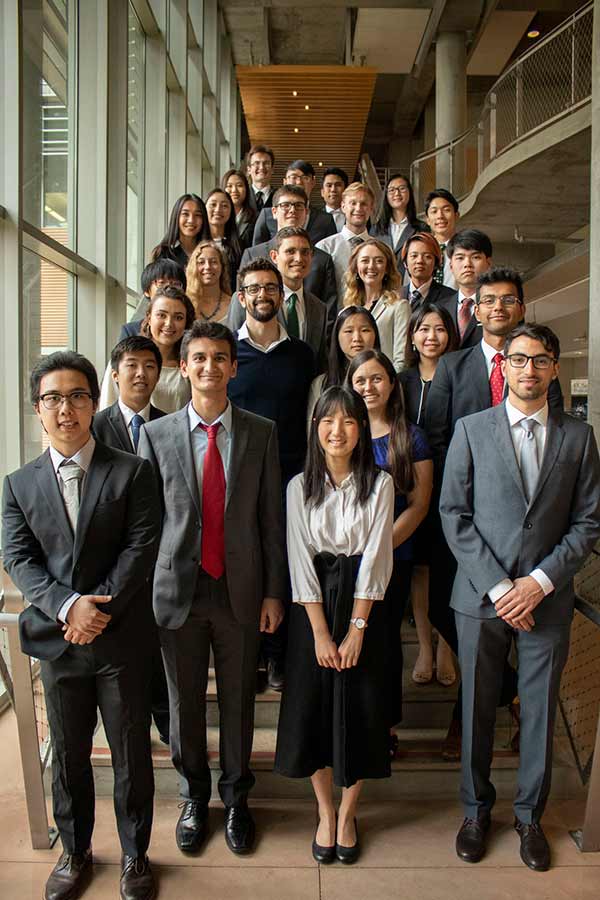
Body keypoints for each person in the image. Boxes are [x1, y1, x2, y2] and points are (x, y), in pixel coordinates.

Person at [440, 323, 600, 872]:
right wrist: (504, 586)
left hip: (548, 599)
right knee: (478, 709)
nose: (529, 369)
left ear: (554, 368)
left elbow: (587, 522)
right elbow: (453, 515)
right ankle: (475, 812)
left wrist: (539, 583)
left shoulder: (578, 438)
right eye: (520, 359)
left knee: (537, 714)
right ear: (503, 367)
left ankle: (530, 817)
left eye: (541, 360)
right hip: (481, 597)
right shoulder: (470, 429)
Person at [2, 351, 161, 900]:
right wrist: (70, 608)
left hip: (121, 638)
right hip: (59, 642)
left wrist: (99, 611)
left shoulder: (132, 470)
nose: (64, 408)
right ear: (36, 410)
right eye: (52, 398)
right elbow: (20, 560)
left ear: (94, 402)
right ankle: (75, 851)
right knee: (68, 755)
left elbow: (142, 549)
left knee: (129, 752)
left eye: (76, 396)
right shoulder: (18, 484)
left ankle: (136, 855)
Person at [138, 320, 287, 858]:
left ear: (233, 366)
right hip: (178, 589)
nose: (209, 367)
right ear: (184, 366)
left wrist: (274, 593)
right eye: (198, 358)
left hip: (241, 590)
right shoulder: (154, 436)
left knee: (238, 703)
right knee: (184, 707)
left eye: (219, 358)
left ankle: (236, 796)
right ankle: (194, 796)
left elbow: (271, 519)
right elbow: (147, 524)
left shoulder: (261, 432)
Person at [425, 268, 564, 760]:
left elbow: (554, 452)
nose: (499, 308)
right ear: (475, 309)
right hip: (464, 519)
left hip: (531, 541)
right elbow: (438, 437)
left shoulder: (541, 371)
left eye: (510, 300)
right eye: (490, 301)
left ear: (521, 308)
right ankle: (492, 700)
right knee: (455, 614)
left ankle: (488, 709)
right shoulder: (453, 366)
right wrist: (465, 493)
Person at [274, 386, 394, 864]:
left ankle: (348, 813)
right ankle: (324, 810)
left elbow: (376, 559)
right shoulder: (298, 486)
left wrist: (358, 628)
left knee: (362, 710)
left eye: (348, 421)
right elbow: (300, 560)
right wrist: (322, 633)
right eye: (328, 421)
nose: (337, 430)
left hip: (365, 605)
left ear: (361, 429)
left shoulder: (380, 483)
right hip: (313, 610)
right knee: (311, 709)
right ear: (315, 429)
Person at [228, 258, 315, 690]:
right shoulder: (227, 352)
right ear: (241, 297)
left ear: (282, 296)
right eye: (254, 288)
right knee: (247, 560)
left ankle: (279, 654)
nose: (263, 295)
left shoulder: (301, 353)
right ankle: (253, 655)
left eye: (271, 288)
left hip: (291, 471)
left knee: (284, 558)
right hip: (238, 474)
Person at [348, 350, 433, 754]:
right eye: (360, 380)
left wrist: (379, 549)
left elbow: (418, 504)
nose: (369, 387)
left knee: (383, 645)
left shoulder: (410, 436)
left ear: (393, 384)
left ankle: (385, 726)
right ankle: (352, 723)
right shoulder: (342, 432)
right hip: (344, 559)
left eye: (377, 378)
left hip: (393, 556)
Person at [92, 335, 171, 746]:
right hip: (112, 564)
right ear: (116, 372)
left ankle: (168, 729)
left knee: (161, 657)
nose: (141, 374)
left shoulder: (170, 423)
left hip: (161, 561)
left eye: (149, 366)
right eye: (131, 365)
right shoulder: (94, 427)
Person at [399, 304, 459, 685]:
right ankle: (424, 644)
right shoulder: (402, 380)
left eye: (439, 329)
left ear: (450, 335)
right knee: (419, 570)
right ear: (412, 336)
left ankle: (446, 647)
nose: (431, 336)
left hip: (453, 483)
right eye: (423, 329)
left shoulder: (461, 375)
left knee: (449, 569)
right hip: (410, 482)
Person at [227, 227, 328, 370]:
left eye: (305, 252)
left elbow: (319, 361)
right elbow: (231, 348)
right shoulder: (246, 301)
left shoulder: (319, 308)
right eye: (290, 251)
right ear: (274, 256)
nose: (299, 258)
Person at [240, 185, 338, 328]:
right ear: (274, 211)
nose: (292, 210)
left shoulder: (322, 258)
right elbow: (241, 306)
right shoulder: (253, 254)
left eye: (298, 206)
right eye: (285, 205)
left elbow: (328, 312)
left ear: (306, 212)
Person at [101, 286, 195, 414]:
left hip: (175, 433)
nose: (169, 323)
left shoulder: (190, 362)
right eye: (162, 315)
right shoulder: (125, 356)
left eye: (178, 317)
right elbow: (108, 405)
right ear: (149, 318)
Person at [341, 237, 410, 372]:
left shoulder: (399, 307)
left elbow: (401, 360)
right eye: (365, 261)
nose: (371, 266)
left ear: (387, 269)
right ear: (356, 267)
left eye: (378, 261)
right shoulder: (346, 310)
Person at [307, 305, 380, 426]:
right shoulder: (320, 384)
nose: (357, 338)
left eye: (365, 330)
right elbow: (313, 431)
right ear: (337, 336)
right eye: (349, 331)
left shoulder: (385, 380)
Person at [317, 182, 375, 307]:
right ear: (343, 206)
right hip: (335, 320)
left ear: (371, 208)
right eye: (353, 203)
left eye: (364, 204)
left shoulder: (380, 249)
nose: (358, 208)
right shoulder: (324, 247)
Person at [252, 160, 337, 246]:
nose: (299, 182)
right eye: (293, 177)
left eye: (305, 178)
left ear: (313, 182)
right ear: (285, 182)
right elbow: (258, 249)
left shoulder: (326, 220)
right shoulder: (267, 215)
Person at [436, 229, 493, 349]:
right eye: (460, 258)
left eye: (475, 257)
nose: (467, 264)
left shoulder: (499, 306)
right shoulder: (439, 309)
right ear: (451, 266)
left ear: (488, 263)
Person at [370, 172, 426, 277]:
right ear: (386, 195)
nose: (397, 193)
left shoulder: (421, 228)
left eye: (402, 188)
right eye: (391, 190)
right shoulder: (376, 229)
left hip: (410, 285)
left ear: (410, 193)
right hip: (381, 285)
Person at [120, 257, 187, 339]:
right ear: (147, 291)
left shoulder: (191, 333)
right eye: (161, 283)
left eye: (176, 284)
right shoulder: (130, 331)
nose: (169, 288)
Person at [151, 193, 210, 268]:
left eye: (197, 215)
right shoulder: (162, 254)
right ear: (176, 217)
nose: (191, 220)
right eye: (185, 214)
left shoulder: (210, 251)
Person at [399, 232, 456, 310]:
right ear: (405, 263)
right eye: (414, 256)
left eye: (427, 256)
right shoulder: (395, 296)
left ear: (436, 263)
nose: (419, 261)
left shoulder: (450, 297)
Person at [186, 240, 232, 324]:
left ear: (222, 267)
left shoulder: (233, 305)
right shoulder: (185, 304)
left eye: (213, 262)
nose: (207, 267)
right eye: (201, 262)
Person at [205, 188, 243, 290]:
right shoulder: (196, 243)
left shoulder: (240, 247)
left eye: (224, 206)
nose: (218, 210)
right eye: (213, 205)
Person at [424, 189, 459, 288]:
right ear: (427, 220)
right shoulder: (421, 249)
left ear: (456, 216)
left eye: (446, 210)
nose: (440, 216)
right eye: (434, 211)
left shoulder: (466, 249)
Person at [222, 167, 257, 249]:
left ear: (246, 189)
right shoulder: (218, 216)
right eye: (229, 186)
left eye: (239, 185)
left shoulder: (256, 218)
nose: (234, 190)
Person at [245, 143, 276, 213]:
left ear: (272, 169)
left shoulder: (279, 196)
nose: (261, 167)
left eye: (266, 163)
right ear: (249, 169)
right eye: (257, 163)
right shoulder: (243, 195)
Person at [320, 166, 348, 231]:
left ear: (346, 190)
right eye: (329, 186)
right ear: (322, 192)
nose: (333, 189)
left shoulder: (354, 215)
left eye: (338, 185)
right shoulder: (314, 218)